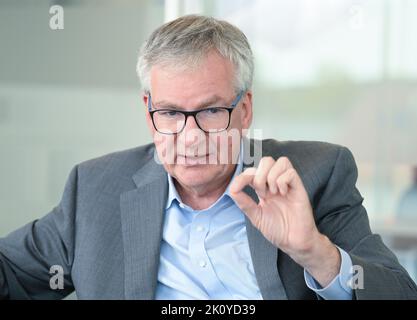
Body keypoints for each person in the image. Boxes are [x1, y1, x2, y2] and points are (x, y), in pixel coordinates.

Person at [1, 14, 416, 300]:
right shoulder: (95, 188)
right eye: (169, 114)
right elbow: (11, 273)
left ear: (245, 109)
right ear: (148, 112)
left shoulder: (316, 176)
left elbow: (398, 291)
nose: (190, 137)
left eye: (211, 111)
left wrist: (314, 252)